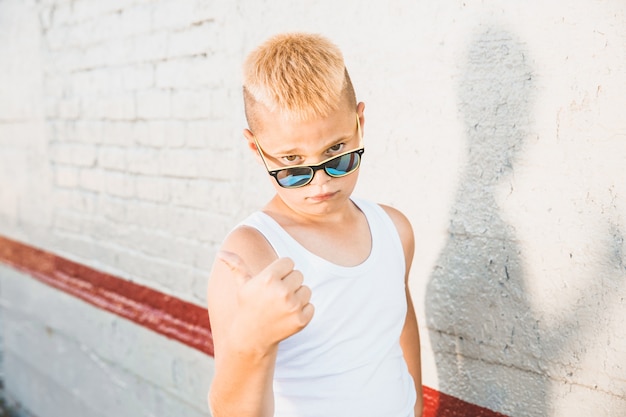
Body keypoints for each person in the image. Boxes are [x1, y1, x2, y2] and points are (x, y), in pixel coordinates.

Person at [207, 32, 423, 417]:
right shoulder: (250, 255)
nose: (321, 182)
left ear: (360, 122)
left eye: (337, 153)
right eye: (292, 163)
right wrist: (251, 340)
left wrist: (417, 405)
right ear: (257, 150)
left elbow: (400, 324)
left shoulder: (394, 229)